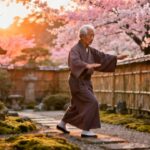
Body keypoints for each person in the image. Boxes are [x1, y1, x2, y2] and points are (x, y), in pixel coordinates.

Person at [56, 24, 127, 138]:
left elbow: (102, 56)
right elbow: (74, 63)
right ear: (82, 36)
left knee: (76, 105)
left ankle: (62, 123)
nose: (92, 38)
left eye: (93, 35)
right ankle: (86, 130)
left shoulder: (90, 50)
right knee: (92, 102)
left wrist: (116, 57)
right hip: (77, 81)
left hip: (86, 81)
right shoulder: (75, 50)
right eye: (90, 35)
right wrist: (86, 65)